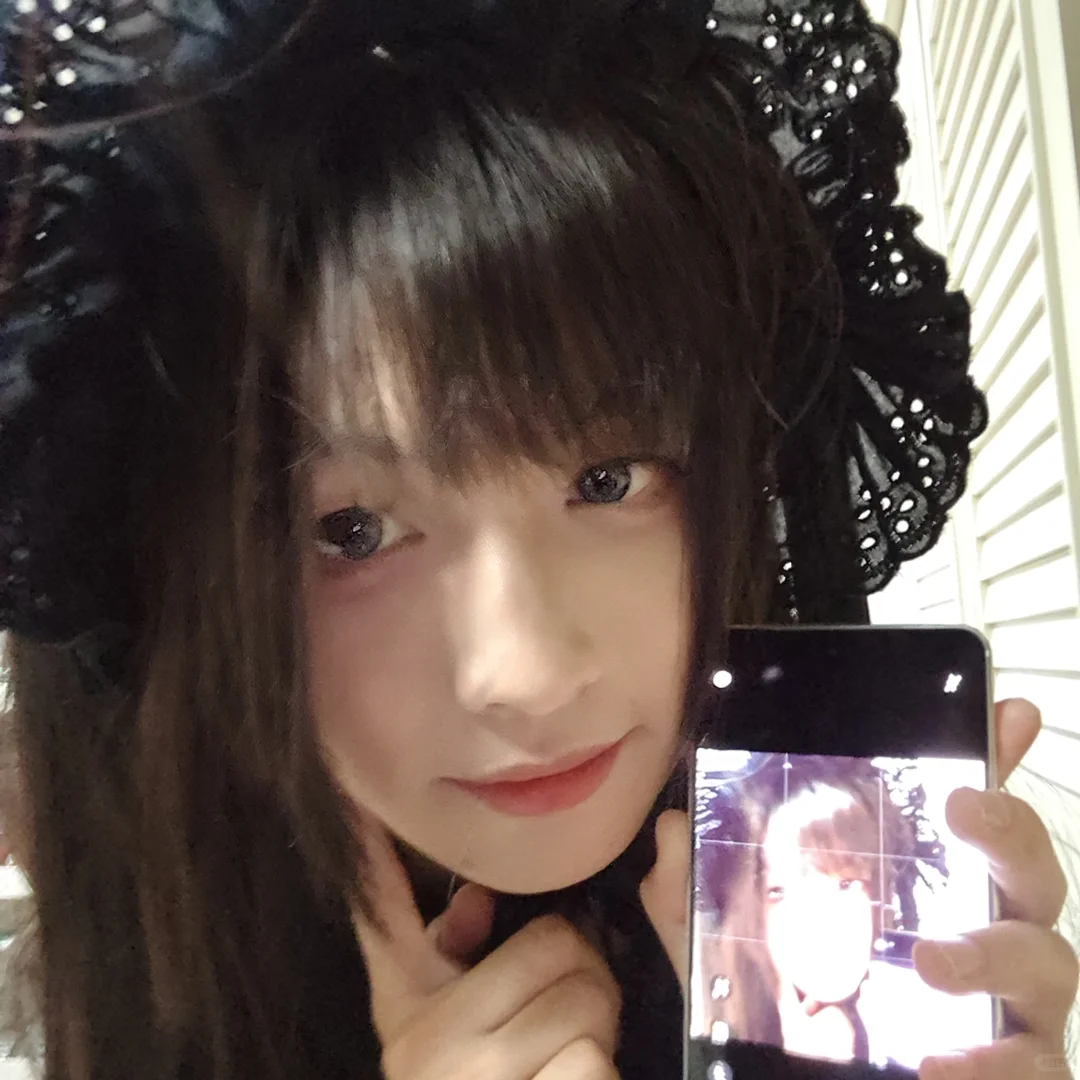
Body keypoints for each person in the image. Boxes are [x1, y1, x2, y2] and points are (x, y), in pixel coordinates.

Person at [0, 2, 1075, 1079]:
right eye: (353, 530)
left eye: (608, 479)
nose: (530, 675)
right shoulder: (127, 998)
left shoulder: (785, 891)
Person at [694, 754, 986, 1070]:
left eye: (846, 883)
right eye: (780, 893)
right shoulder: (717, 1032)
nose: (821, 924)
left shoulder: (938, 1032)